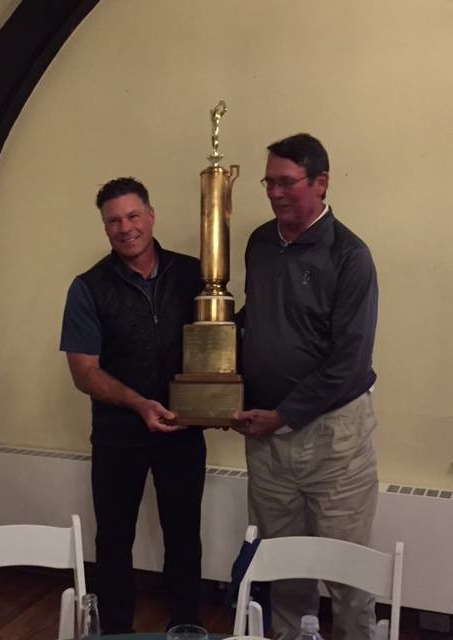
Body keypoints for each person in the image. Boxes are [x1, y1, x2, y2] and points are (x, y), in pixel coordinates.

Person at [235, 134, 379, 640]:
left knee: (347, 572)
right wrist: (212, 351)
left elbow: (350, 362)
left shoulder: (350, 255)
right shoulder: (260, 242)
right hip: (267, 439)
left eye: (286, 182)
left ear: (320, 182)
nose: (274, 193)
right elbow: (259, 319)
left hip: (333, 439)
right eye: (268, 182)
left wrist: (284, 415)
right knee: (282, 566)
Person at [59, 177, 206, 634]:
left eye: (132, 215)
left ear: (151, 216)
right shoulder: (87, 287)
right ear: (105, 228)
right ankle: (116, 632)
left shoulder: (193, 274)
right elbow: (84, 372)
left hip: (183, 430)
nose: (125, 228)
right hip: (117, 435)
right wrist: (139, 403)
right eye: (113, 221)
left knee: (184, 537)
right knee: (114, 541)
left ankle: (186, 628)